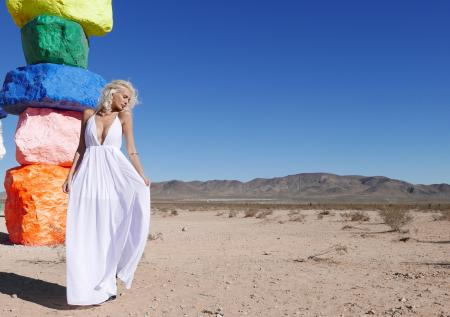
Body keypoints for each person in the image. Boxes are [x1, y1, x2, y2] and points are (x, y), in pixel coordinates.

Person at [62, 79, 151, 306]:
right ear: (112, 94)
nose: (127, 102)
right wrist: (70, 176)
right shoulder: (88, 114)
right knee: (84, 232)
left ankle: (108, 285)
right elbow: (81, 149)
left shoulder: (124, 118)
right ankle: (83, 289)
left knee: (108, 232)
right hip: (87, 180)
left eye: (130, 99)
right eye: (125, 97)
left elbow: (132, 151)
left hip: (114, 180)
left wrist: (141, 176)